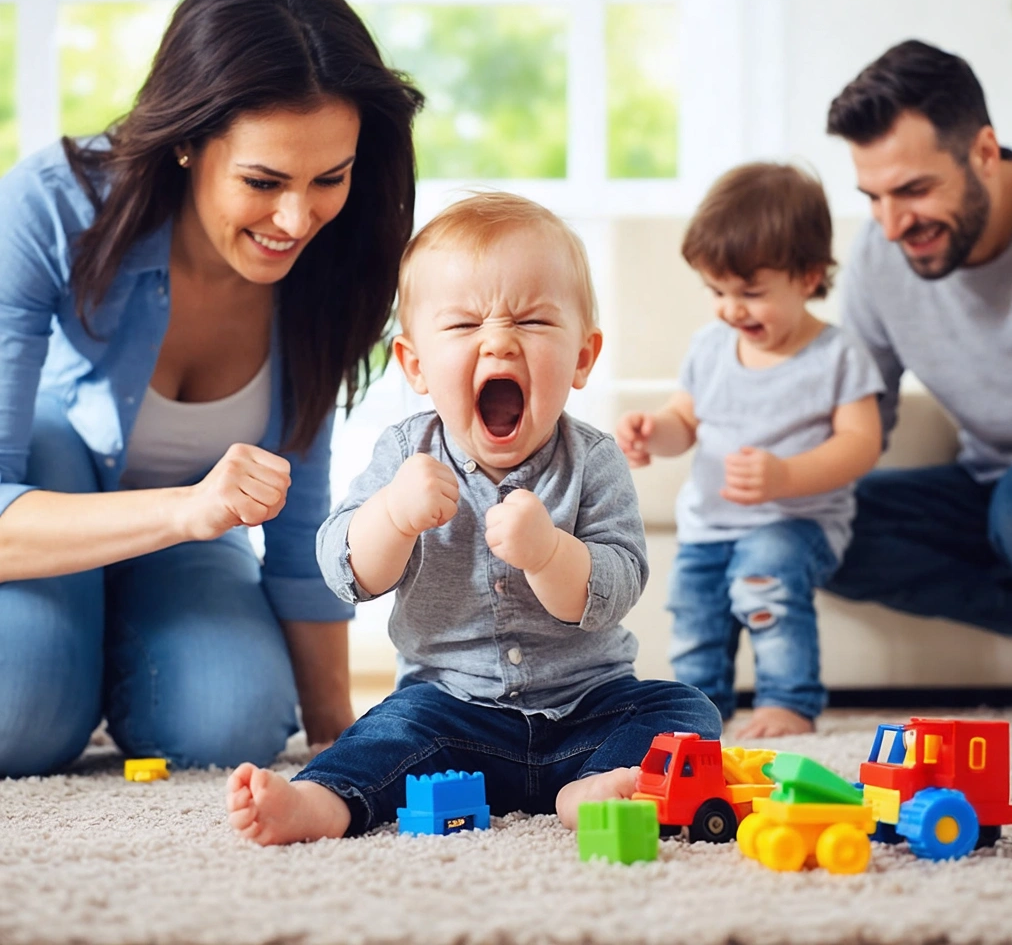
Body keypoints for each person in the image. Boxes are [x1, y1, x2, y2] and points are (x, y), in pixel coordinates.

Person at [0, 0, 424, 778]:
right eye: (263, 181)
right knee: (16, 721)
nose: (297, 219)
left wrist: (336, 731)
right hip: (50, 510)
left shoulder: (339, 257)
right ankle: (68, 644)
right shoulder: (50, 203)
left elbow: (301, 529)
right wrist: (186, 511)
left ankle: (113, 639)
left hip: (192, 535)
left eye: (328, 178)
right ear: (189, 142)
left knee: (232, 726)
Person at [225, 191, 720, 844]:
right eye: (463, 327)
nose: (499, 343)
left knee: (686, 710)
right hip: (450, 711)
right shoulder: (407, 453)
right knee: (387, 733)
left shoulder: (594, 462)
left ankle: (591, 787)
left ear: (581, 358)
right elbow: (346, 570)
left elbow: (617, 586)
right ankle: (323, 803)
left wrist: (549, 555)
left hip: (588, 709)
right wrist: (394, 518)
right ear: (416, 365)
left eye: (534, 323)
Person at [615, 164, 884, 739]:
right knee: (694, 613)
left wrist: (786, 476)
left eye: (751, 293)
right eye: (717, 291)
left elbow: (864, 444)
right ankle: (697, 709)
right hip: (708, 525)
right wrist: (651, 432)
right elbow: (684, 421)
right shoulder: (711, 348)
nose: (732, 309)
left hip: (795, 522)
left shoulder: (837, 355)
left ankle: (789, 700)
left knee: (767, 582)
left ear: (810, 277)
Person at [825, 40, 1012, 635]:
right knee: (820, 528)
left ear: (983, 152)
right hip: (983, 490)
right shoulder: (880, 257)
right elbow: (861, 413)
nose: (891, 226)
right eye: (874, 198)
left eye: (913, 191)